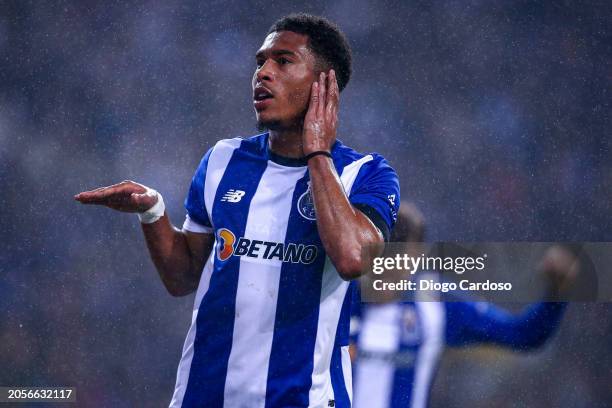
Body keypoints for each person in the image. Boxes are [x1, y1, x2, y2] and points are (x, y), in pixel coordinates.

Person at [75, 14, 400, 408]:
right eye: (260, 62)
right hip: (202, 397)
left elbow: (352, 258)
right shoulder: (223, 160)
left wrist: (317, 149)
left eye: (283, 61)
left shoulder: (365, 173)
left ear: (324, 85)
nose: (263, 73)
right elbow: (182, 277)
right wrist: (153, 212)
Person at [350, 202, 578, 408]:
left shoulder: (435, 302)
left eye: (399, 245)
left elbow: (523, 334)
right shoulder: (334, 294)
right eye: (384, 245)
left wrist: (556, 295)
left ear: (417, 255)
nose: (388, 261)